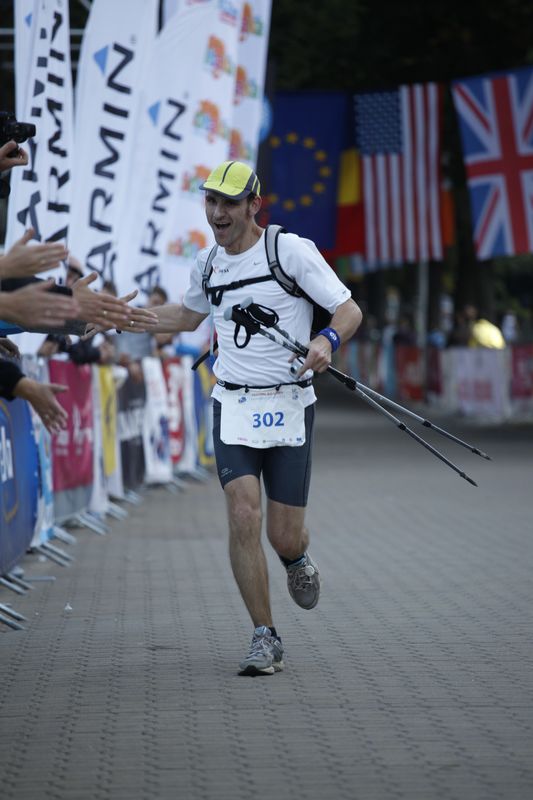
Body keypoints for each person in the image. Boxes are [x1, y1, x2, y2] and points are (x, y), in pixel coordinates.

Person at [108, 160, 363, 676]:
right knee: (244, 513)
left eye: (229, 202)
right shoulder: (207, 264)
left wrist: (326, 340)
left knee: (283, 536)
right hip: (234, 405)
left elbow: (349, 310)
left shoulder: (288, 251)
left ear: (253, 206)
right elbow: (186, 317)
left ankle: (296, 559)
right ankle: (265, 636)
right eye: (211, 201)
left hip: (288, 405)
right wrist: (120, 316)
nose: (217, 213)